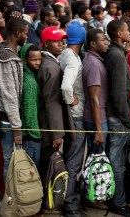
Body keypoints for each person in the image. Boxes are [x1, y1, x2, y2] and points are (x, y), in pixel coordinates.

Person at [104, 20, 130, 217]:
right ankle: (118, 202)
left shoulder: (117, 53)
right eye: (126, 30)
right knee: (117, 163)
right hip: (118, 117)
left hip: (118, 116)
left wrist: (126, 51)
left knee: (118, 161)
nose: (129, 32)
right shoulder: (116, 56)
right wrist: (127, 120)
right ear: (118, 33)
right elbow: (118, 94)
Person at [0, 17, 28, 181]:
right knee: (10, 162)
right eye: (25, 34)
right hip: (9, 122)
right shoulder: (6, 59)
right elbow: (9, 95)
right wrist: (16, 128)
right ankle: (10, 199)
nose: (27, 37)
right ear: (17, 33)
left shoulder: (13, 54)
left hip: (13, 120)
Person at [58, 21, 86, 217]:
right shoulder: (73, 59)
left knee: (70, 159)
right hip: (76, 117)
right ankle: (70, 205)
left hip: (71, 116)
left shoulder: (68, 54)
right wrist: (71, 101)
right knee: (73, 162)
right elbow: (66, 86)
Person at [37, 26, 71, 178]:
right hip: (48, 128)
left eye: (62, 41)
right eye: (56, 41)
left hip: (47, 126)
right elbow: (51, 102)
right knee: (46, 169)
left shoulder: (51, 62)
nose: (61, 44)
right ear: (45, 44)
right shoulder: (50, 66)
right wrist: (56, 134)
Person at [82, 29, 109, 153]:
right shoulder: (93, 65)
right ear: (93, 44)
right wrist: (99, 130)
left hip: (97, 119)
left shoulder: (94, 60)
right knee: (97, 166)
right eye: (103, 40)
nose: (106, 43)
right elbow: (94, 99)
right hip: (96, 121)